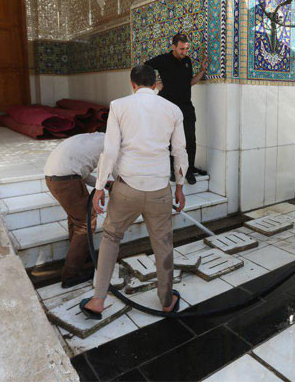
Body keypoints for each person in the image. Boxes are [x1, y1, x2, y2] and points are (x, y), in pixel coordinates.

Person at [80, 64, 188, 318]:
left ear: (132, 84)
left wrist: (99, 187)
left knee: (111, 238)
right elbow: (180, 151)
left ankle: (98, 300)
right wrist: (180, 187)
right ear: (155, 84)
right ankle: (166, 300)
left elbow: (110, 150)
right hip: (159, 189)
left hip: (126, 188)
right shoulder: (173, 109)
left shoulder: (119, 106)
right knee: (163, 243)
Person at [44, 132, 113, 288]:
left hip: (53, 178)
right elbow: (107, 170)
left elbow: (83, 173)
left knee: (76, 220)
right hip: (67, 180)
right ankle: (71, 275)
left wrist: (105, 185)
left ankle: (81, 259)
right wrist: (102, 186)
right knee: (85, 223)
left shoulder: (95, 138)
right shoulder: (112, 143)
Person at [145, 32, 208, 185]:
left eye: (186, 49)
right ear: (173, 47)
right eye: (181, 49)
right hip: (168, 107)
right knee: (169, 140)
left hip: (186, 107)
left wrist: (202, 71)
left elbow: (189, 83)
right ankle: (173, 171)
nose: (184, 52)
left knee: (190, 139)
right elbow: (145, 67)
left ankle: (189, 170)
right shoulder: (163, 60)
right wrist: (156, 84)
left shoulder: (187, 61)